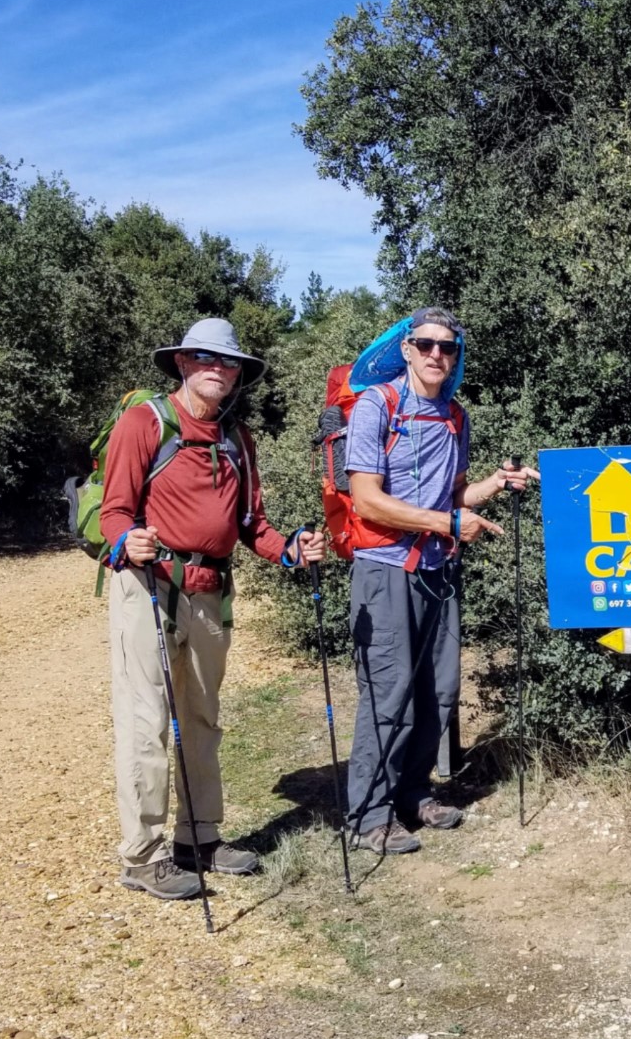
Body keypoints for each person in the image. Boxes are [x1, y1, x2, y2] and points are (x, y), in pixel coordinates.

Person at [99, 317, 324, 900]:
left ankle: (197, 837)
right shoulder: (142, 423)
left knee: (200, 718)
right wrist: (130, 541)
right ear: (182, 363)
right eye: (205, 359)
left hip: (209, 591)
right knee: (148, 723)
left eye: (227, 363)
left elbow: (251, 524)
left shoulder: (236, 439)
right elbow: (115, 512)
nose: (217, 369)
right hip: (148, 587)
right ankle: (142, 858)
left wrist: (291, 552)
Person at [343, 307, 538, 854]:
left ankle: (413, 793)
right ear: (407, 349)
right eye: (426, 344)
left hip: (437, 571)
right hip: (385, 571)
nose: (436, 355)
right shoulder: (374, 407)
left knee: (438, 692)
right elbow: (367, 500)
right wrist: (448, 525)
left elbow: (454, 496)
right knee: (389, 691)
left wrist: (496, 484)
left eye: (447, 348)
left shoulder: (455, 415)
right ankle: (367, 815)